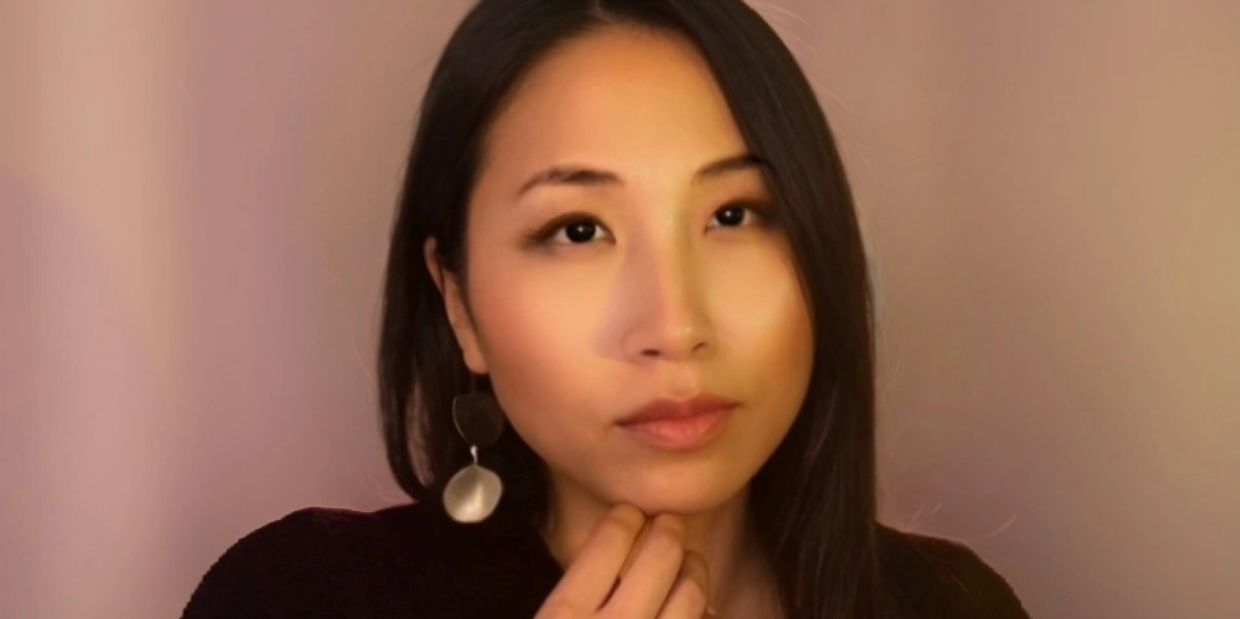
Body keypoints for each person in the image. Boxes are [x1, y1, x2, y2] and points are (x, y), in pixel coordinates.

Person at [182, 1, 1030, 617]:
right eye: (578, 230)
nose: (674, 325)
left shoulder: (953, 603)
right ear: (459, 303)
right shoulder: (302, 598)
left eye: (734, 215)